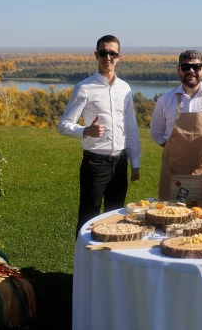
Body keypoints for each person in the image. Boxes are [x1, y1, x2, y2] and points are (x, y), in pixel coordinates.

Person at [57, 35, 141, 239]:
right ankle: (84, 270)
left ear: (119, 57)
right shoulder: (84, 87)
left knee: (116, 218)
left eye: (112, 53)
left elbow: (130, 127)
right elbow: (63, 125)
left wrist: (135, 161)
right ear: (96, 55)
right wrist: (86, 131)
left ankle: (109, 269)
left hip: (120, 163)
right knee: (88, 217)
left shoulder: (125, 89)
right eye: (103, 53)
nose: (108, 57)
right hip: (95, 163)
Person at [150, 50, 202, 200]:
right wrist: (172, 149)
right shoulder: (165, 101)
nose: (191, 71)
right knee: (169, 215)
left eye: (196, 67)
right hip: (174, 172)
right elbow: (156, 132)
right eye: (186, 67)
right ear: (178, 69)